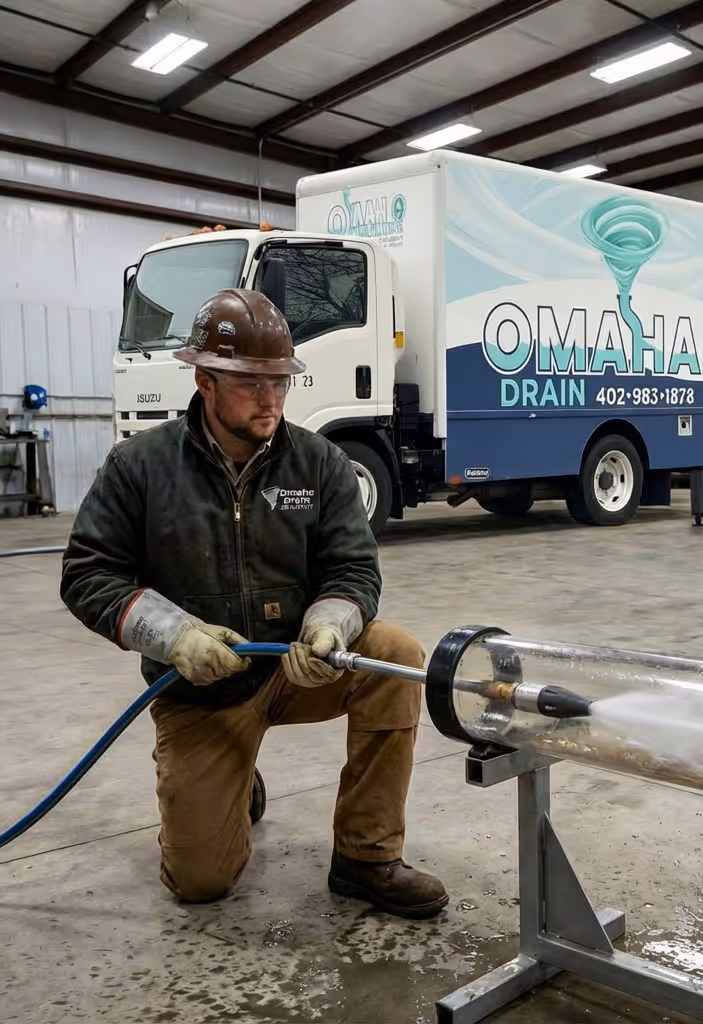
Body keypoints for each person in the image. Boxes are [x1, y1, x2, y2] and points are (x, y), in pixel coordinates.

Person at [61, 288, 448, 918]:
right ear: (204, 380)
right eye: (250, 383)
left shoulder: (320, 463)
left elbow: (353, 568)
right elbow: (87, 574)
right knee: (201, 882)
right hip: (198, 692)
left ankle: (366, 858)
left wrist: (329, 627)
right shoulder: (140, 467)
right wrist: (176, 637)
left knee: (393, 657)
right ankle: (233, 782)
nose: (270, 398)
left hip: (298, 669)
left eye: (280, 381)